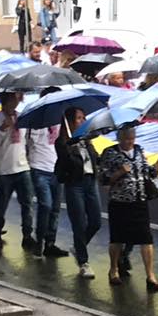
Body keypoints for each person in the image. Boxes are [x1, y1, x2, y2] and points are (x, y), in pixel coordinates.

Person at [99, 119, 158, 291]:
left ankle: (150, 275)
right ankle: (113, 269)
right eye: (127, 138)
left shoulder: (139, 151)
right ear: (119, 138)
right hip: (120, 202)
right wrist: (120, 172)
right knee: (117, 238)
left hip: (139, 200)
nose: (130, 141)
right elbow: (104, 179)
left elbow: (149, 173)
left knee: (146, 238)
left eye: (132, 138)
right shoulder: (110, 153)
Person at [0, 91, 35, 251]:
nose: (16, 103)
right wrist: (2, 128)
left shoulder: (21, 117)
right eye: (13, 100)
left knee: (27, 203)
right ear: (6, 101)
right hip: (4, 170)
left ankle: (27, 235)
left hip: (22, 166)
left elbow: (27, 140)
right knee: (2, 204)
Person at [55, 106, 102, 278]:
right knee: (79, 223)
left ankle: (78, 246)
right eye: (79, 118)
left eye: (84, 118)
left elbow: (96, 158)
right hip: (75, 184)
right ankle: (84, 262)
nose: (82, 121)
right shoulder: (62, 142)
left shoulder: (86, 140)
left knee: (96, 221)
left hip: (90, 182)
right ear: (69, 122)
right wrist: (72, 142)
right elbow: (66, 161)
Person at [26, 110, 63, 257]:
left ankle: (50, 243)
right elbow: (30, 142)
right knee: (45, 205)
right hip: (40, 168)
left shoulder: (61, 123)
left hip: (56, 169)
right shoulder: (36, 123)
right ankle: (39, 241)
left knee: (55, 208)